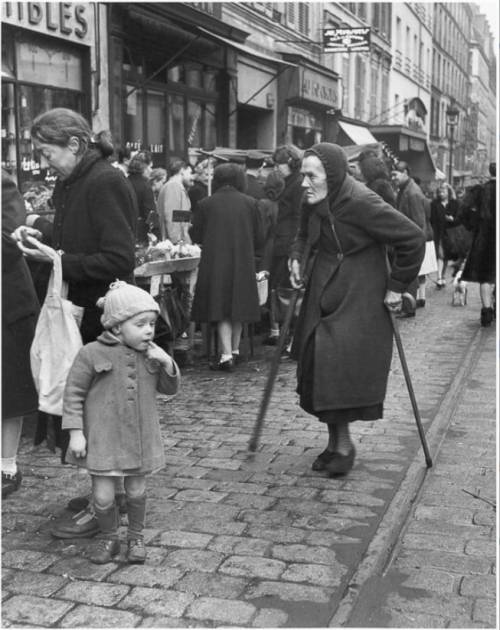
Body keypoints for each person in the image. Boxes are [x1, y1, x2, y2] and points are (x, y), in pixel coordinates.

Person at [12, 107, 138, 538]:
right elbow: (77, 238)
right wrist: (41, 235)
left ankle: (109, 504)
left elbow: (120, 258)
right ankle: (101, 494)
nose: (45, 164)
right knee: (86, 411)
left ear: (76, 145)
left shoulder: (105, 181)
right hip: (81, 315)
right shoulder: (73, 181)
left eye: (48, 154)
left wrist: (59, 260)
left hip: (102, 319)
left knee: (99, 416)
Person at [289, 143, 425, 476]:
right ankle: (334, 443)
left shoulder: (363, 202)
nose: (303, 182)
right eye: (302, 174)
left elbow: (413, 237)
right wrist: (296, 256)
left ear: (332, 176)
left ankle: (344, 447)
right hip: (324, 283)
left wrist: (397, 287)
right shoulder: (314, 197)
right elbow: (303, 232)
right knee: (316, 361)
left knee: (339, 365)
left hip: (359, 290)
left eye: (311, 175)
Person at [62, 281, 180, 564]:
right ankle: (109, 537)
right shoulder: (90, 354)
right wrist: (76, 433)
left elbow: (169, 388)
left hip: (139, 439)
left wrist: (166, 362)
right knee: (103, 498)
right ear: (116, 327)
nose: (149, 330)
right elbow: (72, 395)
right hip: (103, 439)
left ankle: (136, 538)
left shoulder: (151, 352)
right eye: (140, 324)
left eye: (151, 323)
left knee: (137, 491)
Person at [191, 163, 265, 371]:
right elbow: (260, 237)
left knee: (221, 308)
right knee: (238, 307)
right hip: (243, 260)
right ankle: (234, 351)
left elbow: (196, 235)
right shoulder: (251, 203)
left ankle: (225, 355)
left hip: (215, 261)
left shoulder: (206, 204)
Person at [2, 169, 40, 498]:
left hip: (6, 303)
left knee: (8, 390)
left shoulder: (1, 183)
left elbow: (10, 239)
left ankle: (7, 467)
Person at [265, 144, 304, 345]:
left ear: (290, 162)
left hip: (288, 243)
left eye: (279, 164)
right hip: (285, 242)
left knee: (288, 292)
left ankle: (292, 338)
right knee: (285, 291)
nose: (277, 168)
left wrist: (294, 249)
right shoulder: (292, 181)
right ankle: (290, 336)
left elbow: (298, 217)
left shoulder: (296, 184)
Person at [459, 162, 496, 326]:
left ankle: (487, 313)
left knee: (485, 277)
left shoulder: (480, 190)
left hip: (485, 237)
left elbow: (463, 212)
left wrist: (474, 226)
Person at [391, 161, 428, 316]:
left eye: (395, 174)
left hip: (410, 241)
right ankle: (407, 306)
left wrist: (413, 242)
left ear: (405, 172)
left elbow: (419, 222)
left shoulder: (412, 193)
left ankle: (408, 307)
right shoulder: (405, 189)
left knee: (409, 274)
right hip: (406, 239)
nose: (393, 178)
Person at [157, 158, 194, 243]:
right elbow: (172, 216)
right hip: (176, 243)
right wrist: (176, 241)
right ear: (182, 170)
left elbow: (178, 216)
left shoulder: (175, 186)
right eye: (190, 173)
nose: (192, 177)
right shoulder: (173, 186)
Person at [430, 183, 459, 287]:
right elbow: (431, 219)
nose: (441, 193)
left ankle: (442, 276)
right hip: (438, 233)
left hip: (450, 234)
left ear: (448, 192)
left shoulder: (454, 203)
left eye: (444, 191)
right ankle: (438, 278)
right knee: (441, 255)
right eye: (440, 192)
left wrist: (453, 219)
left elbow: (459, 218)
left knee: (446, 256)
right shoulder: (434, 204)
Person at [127, 150, 155, 246]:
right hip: (141, 236)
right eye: (150, 167)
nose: (151, 171)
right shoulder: (145, 187)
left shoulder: (124, 182)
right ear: (144, 167)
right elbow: (151, 215)